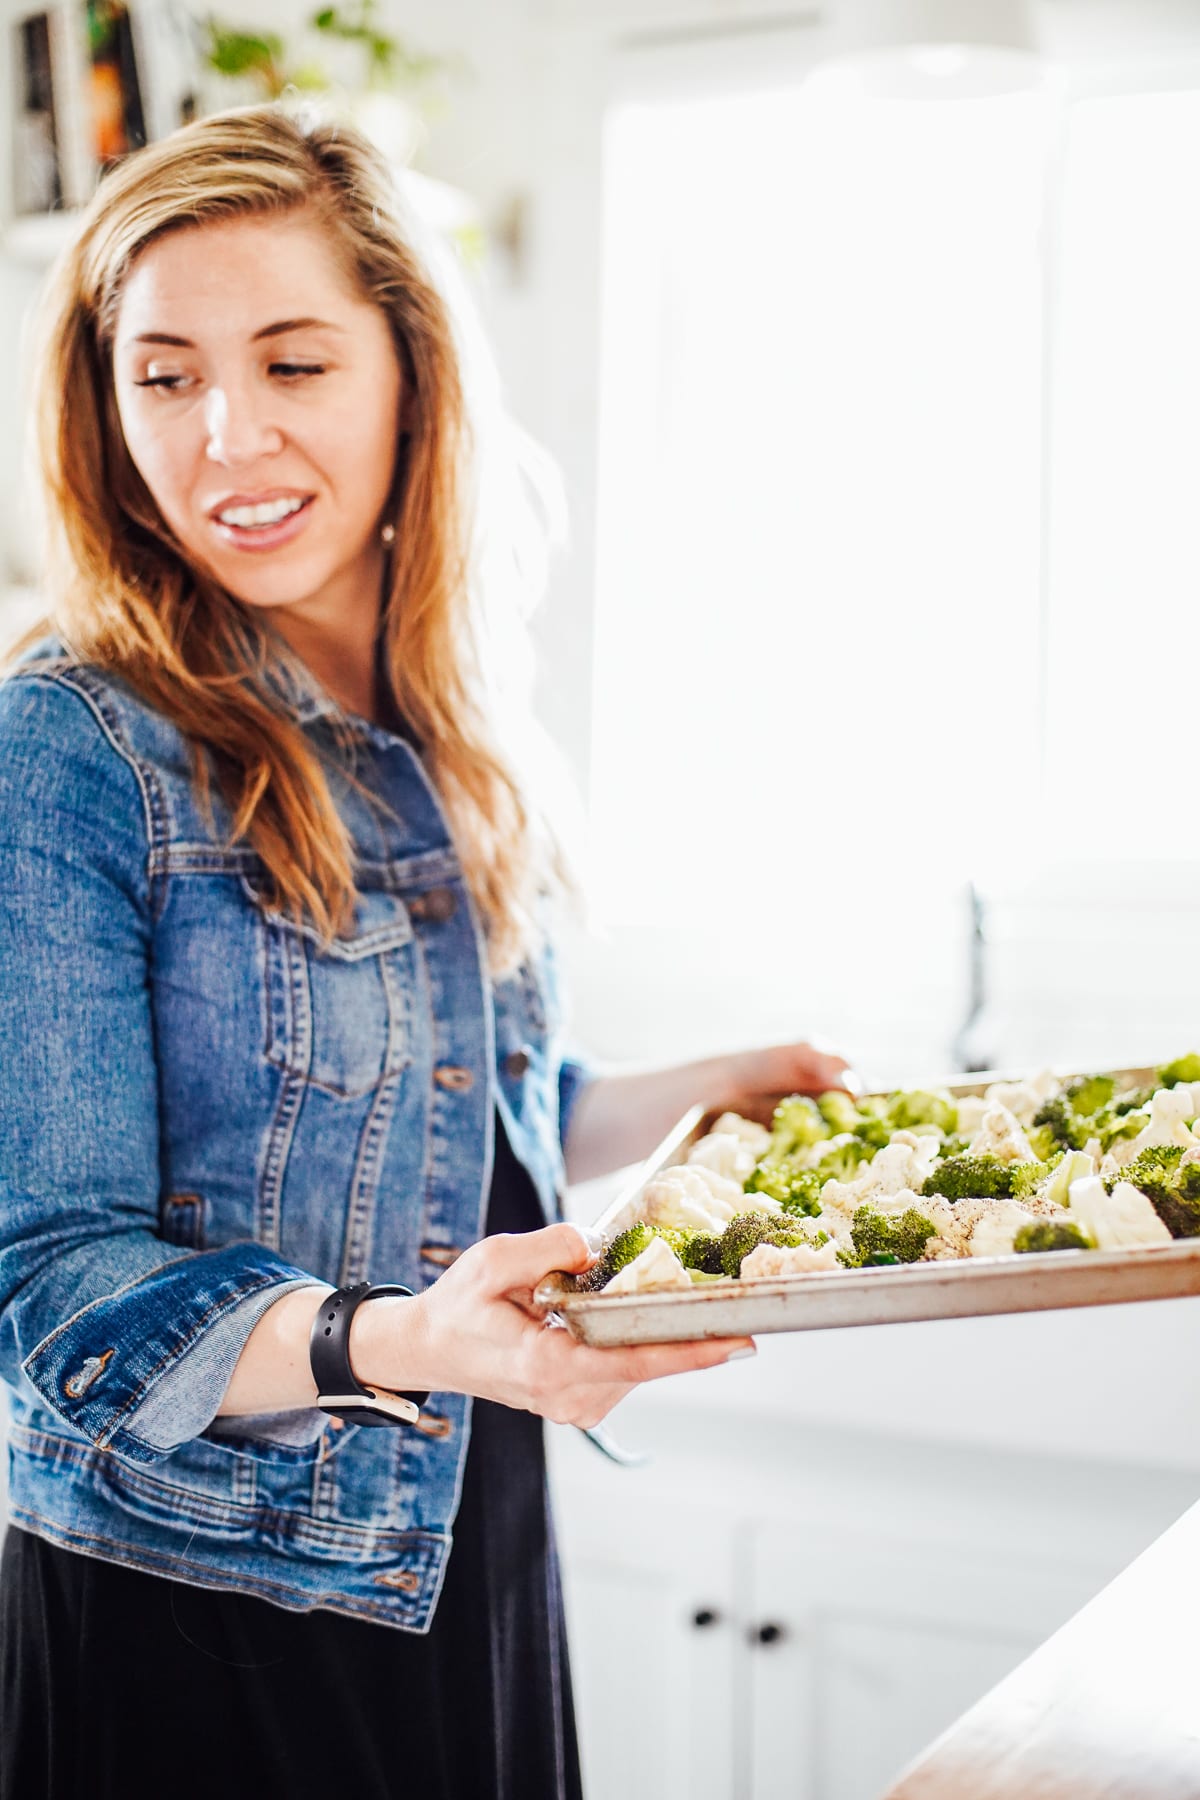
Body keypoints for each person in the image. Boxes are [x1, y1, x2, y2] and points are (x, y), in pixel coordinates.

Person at [0, 105, 851, 1799]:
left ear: (411, 374)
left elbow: (460, 1100)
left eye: (294, 363)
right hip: (198, 1598)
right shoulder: (70, 745)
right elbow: (45, 1288)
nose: (228, 437)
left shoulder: (445, 728)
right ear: (105, 408)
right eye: (165, 376)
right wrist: (395, 1338)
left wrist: (708, 1094)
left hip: (467, 1536)